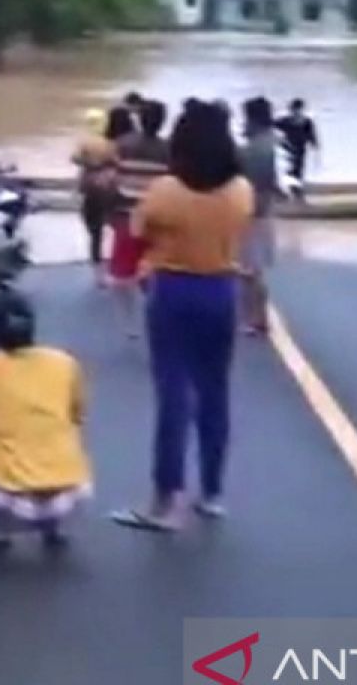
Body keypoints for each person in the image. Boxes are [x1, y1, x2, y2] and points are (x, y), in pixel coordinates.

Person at [112, 101, 253, 532]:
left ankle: (165, 500)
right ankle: (212, 493)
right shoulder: (240, 191)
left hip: (173, 289)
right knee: (215, 393)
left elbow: (137, 230)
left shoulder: (166, 191)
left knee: (173, 393)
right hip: (222, 290)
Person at [0, 292, 92, 550]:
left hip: (9, 498)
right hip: (72, 492)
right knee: (53, 444)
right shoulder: (64, 362)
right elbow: (77, 413)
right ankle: (53, 527)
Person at [110, 100, 170, 338]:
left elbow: (113, 179)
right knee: (157, 269)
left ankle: (129, 324)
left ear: (139, 119)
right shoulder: (169, 149)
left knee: (122, 275)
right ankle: (156, 310)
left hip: (126, 215)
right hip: (158, 219)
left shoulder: (122, 145)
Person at [238, 98, 284, 337]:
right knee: (252, 270)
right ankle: (258, 317)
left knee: (249, 271)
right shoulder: (268, 143)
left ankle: (255, 319)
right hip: (263, 212)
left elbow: (256, 182)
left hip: (253, 213)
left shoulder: (257, 148)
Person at [71, 109, 118, 282]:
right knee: (113, 225)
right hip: (107, 186)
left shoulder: (84, 143)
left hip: (89, 186)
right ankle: (115, 264)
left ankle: (98, 272)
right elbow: (116, 161)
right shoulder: (109, 143)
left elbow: (74, 159)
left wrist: (89, 163)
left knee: (94, 231)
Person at [276, 98, 320, 188]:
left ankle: (296, 186)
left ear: (301, 110)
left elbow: (311, 134)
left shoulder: (306, 121)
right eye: (294, 109)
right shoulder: (285, 120)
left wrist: (315, 144)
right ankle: (291, 186)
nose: (296, 112)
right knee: (289, 168)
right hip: (287, 148)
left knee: (299, 168)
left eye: (298, 109)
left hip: (300, 148)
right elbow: (270, 126)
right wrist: (278, 141)